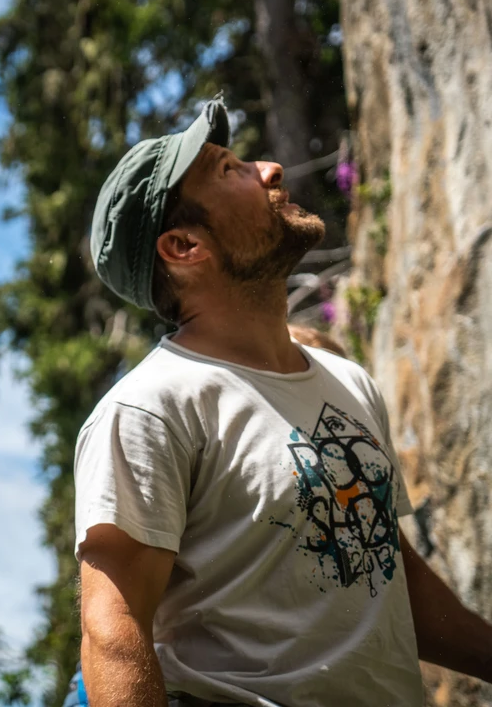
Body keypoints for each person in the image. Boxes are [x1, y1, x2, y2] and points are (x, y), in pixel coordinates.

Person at [74, 96, 492, 707]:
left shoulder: (347, 382)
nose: (269, 169)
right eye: (228, 171)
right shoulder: (151, 408)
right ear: (184, 246)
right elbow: (113, 632)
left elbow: (385, 570)